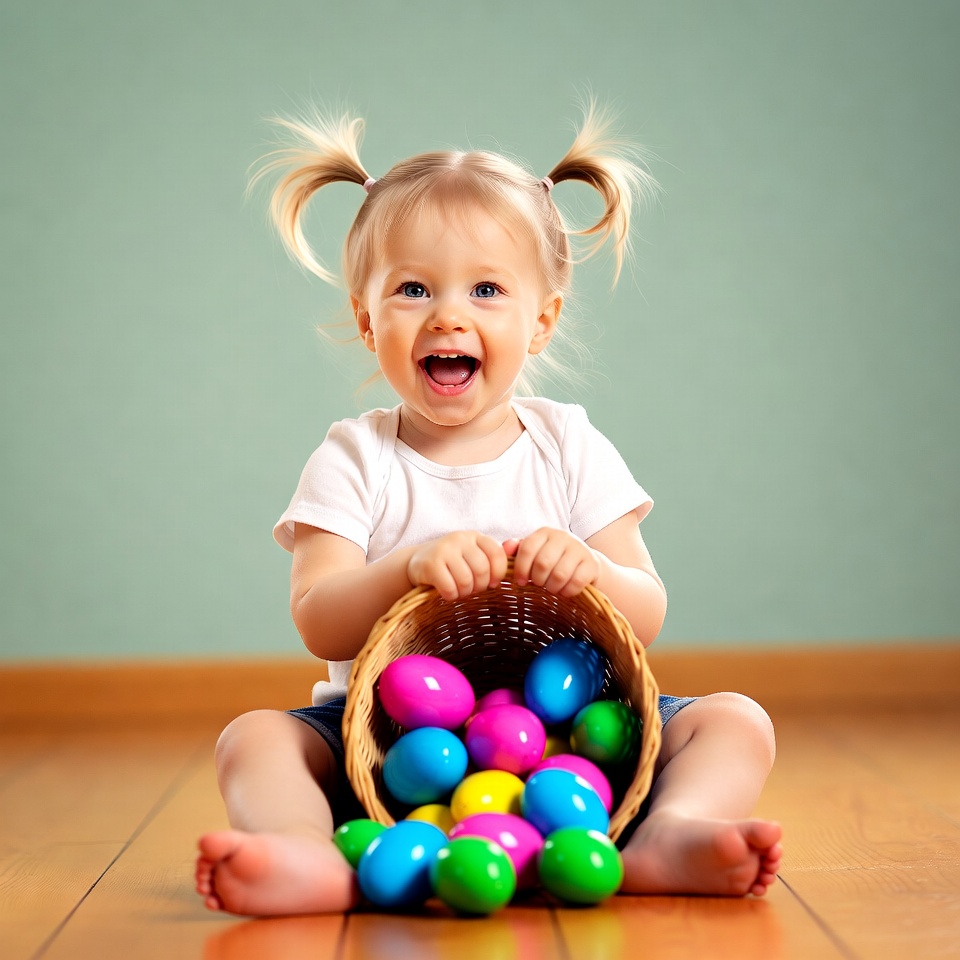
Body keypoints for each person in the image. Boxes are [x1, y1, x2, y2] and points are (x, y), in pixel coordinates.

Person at [195, 105, 782, 916]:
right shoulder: (354, 458)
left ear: (540, 320)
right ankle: (305, 853)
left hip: (583, 742)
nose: (448, 315)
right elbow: (319, 621)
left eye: (486, 289)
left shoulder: (568, 445)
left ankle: (667, 833)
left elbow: (645, 611)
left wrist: (594, 574)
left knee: (735, 720)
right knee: (255, 738)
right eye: (412, 289)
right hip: (388, 754)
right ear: (368, 319)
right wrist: (404, 567)